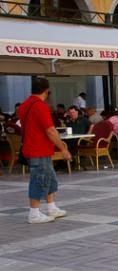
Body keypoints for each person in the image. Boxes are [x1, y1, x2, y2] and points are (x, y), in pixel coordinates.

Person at [19, 77, 71, 224]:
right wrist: (63, 148)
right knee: (39, 180)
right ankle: (34, 213)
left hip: (34, 148)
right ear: (47, 91)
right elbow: (50, 130)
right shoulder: (40, 106)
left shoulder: (24, 105)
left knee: (49, 178)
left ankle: (51, 207)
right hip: (38, 150)